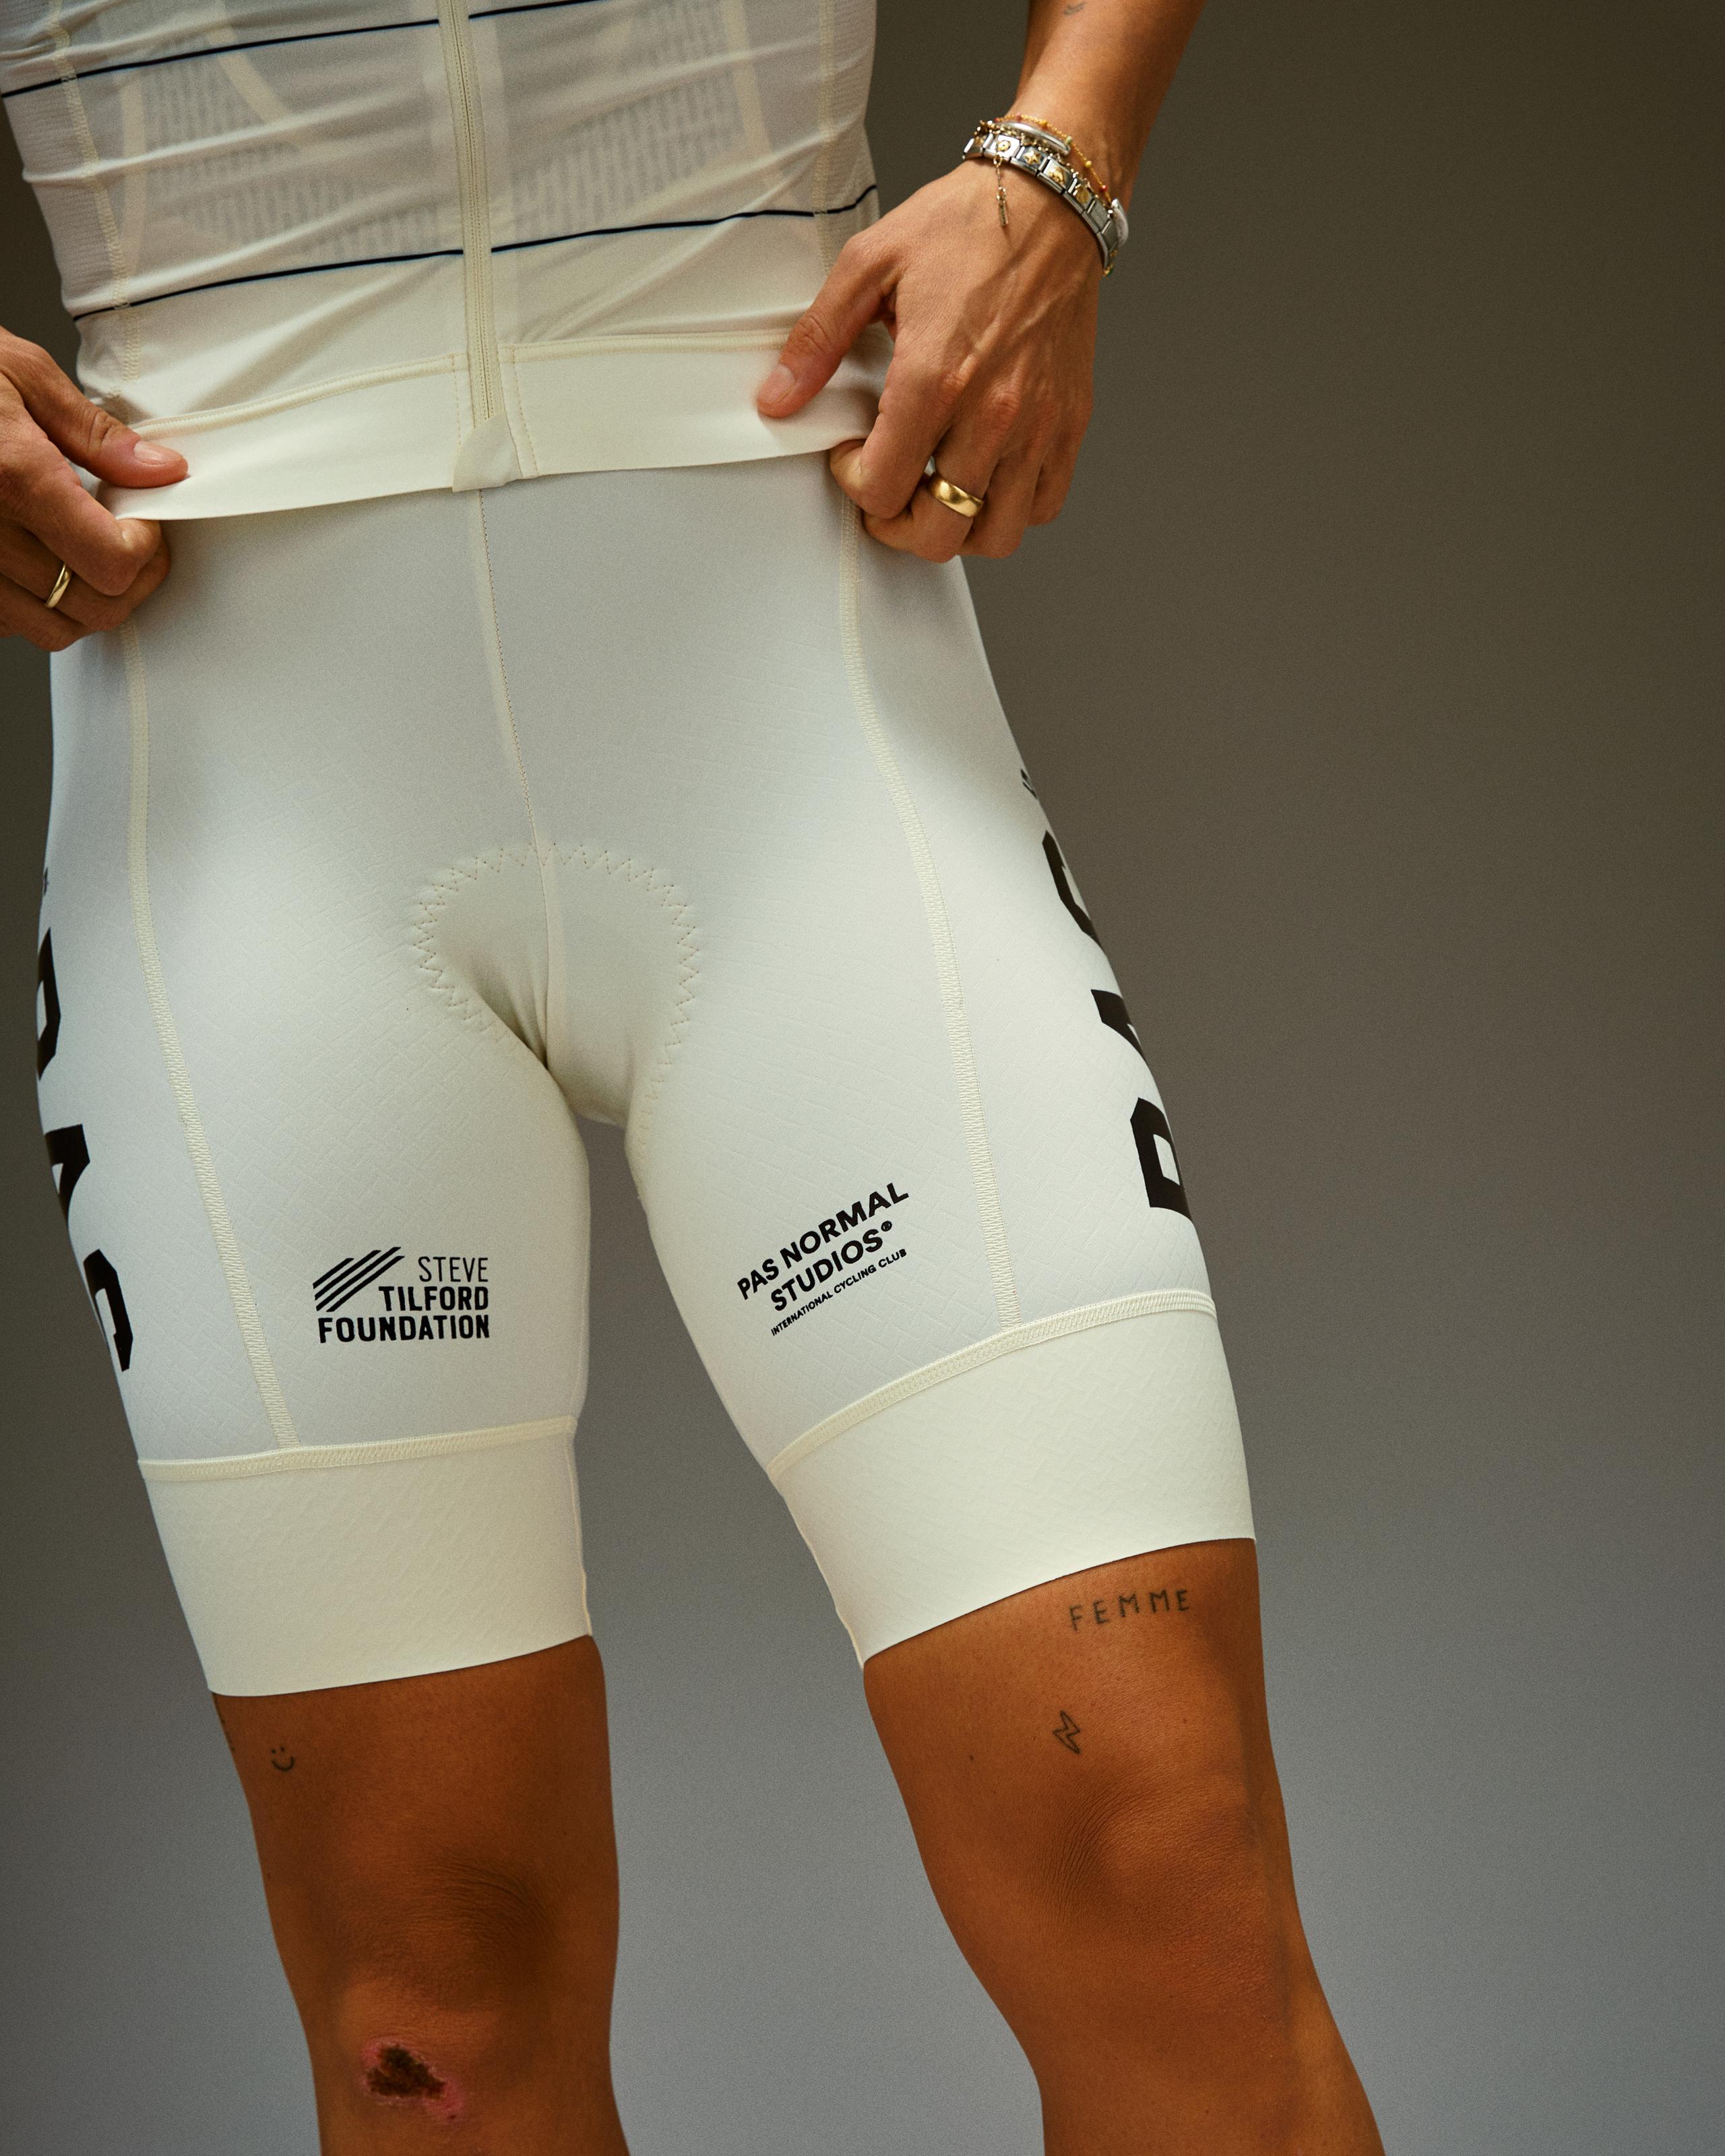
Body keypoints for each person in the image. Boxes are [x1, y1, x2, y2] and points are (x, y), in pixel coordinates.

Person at [3, 0, 1383, 2148]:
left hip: (787, 715)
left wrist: (1067, 157)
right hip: (250, 783)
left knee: (1164, 1879)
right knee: (432, 2033)